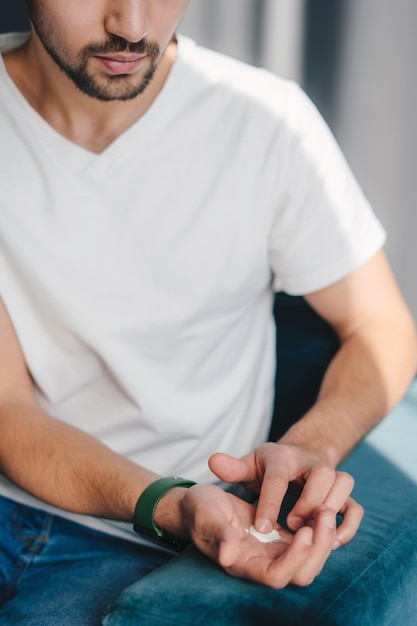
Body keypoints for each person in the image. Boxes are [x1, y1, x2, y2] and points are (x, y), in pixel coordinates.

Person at [0, 1, 416, 625]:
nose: (133, 27)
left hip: (144, 545)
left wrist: (309, 448)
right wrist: (172, 505)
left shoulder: (265, 123)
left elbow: (380, 328)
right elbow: (8, 407)